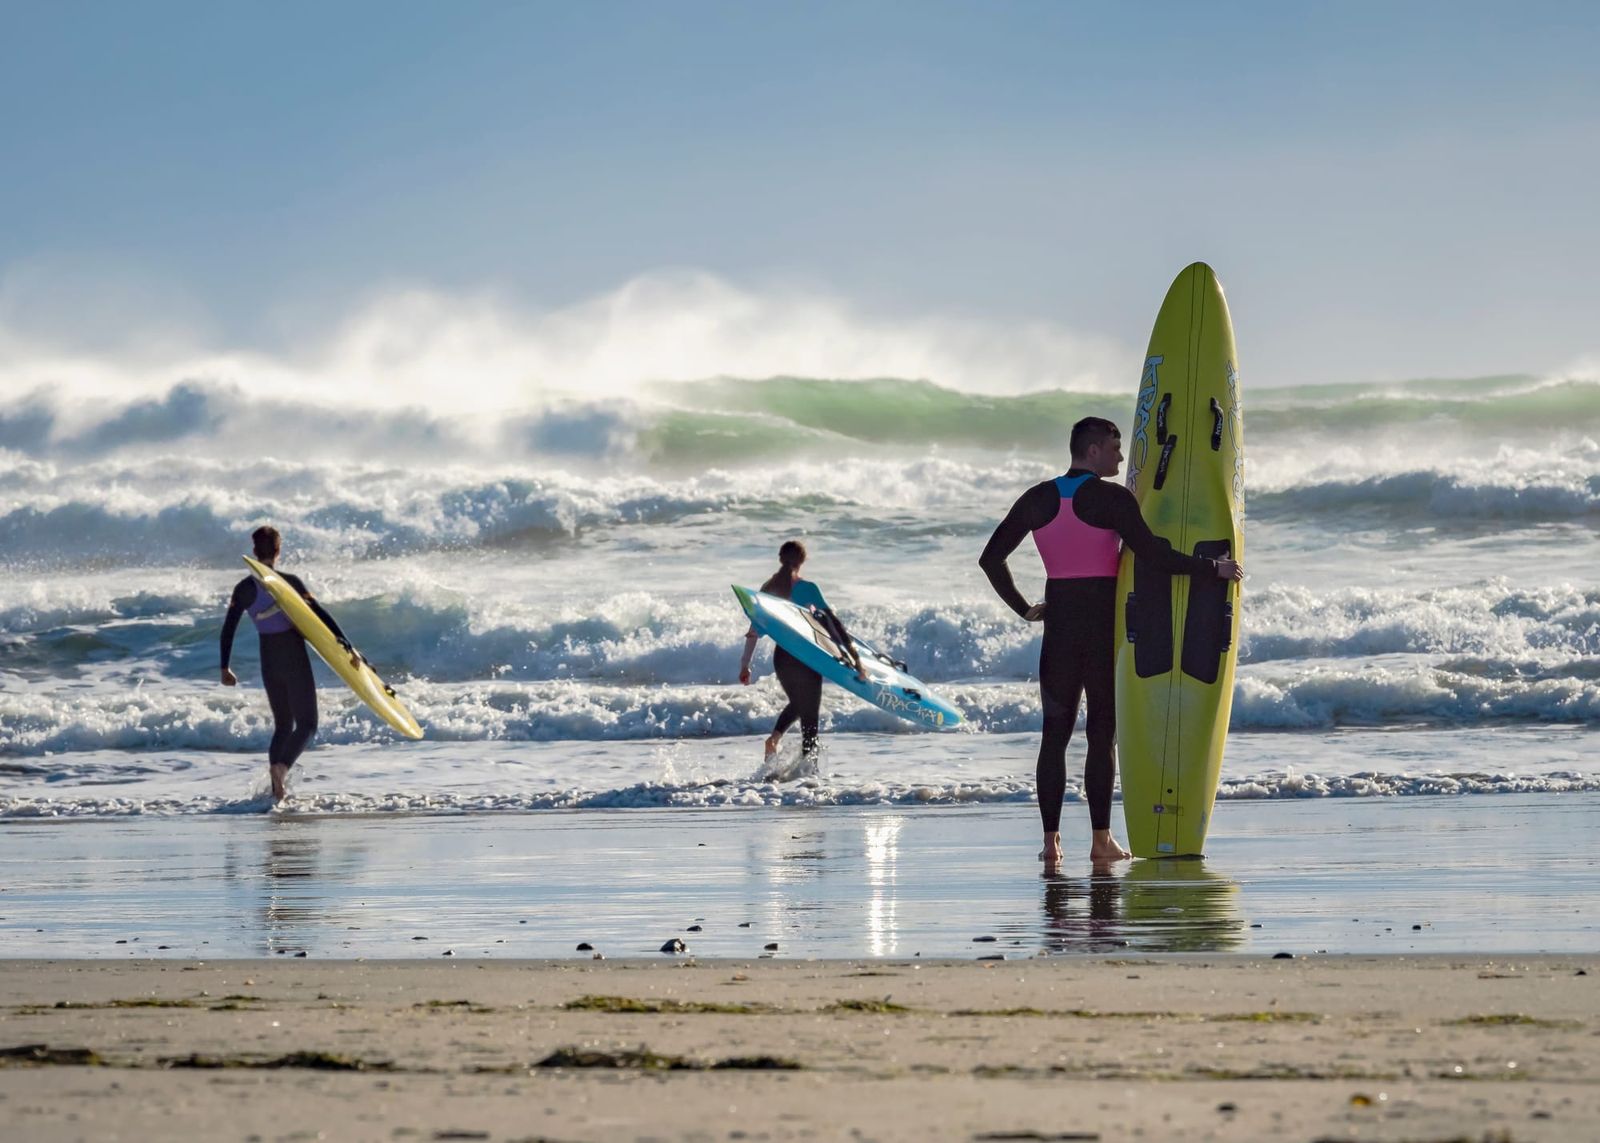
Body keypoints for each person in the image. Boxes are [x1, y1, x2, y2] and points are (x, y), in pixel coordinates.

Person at [979, 417, 1243, 865]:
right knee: (1101, 737)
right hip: (1103, 629)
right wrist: (1211, 569)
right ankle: (1101, 841)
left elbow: (991, 559)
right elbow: (1155, 555)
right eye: (1116, 449)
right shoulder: (1110, 499)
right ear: (1094, 450)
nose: (1122, 458)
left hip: (1058, 626)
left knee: (1053, 737)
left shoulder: (1038, 497)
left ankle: (1050, 843)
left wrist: (1024, 609)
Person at [220, 526, 356, 802]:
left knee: (283, 725)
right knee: (307, 725)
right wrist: (348, 646)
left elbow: (228, 628)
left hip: (268, 656)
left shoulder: (244, 588)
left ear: (255, 550)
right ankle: (281, 768)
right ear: (279, 551)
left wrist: (225, 667)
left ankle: (276, 791)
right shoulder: (290, 582)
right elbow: (320, 614)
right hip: (292, 653)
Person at [739, 540, 866, 762]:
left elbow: (754, 631)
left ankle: (775, 739)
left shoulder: (769, 590)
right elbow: (833, 624)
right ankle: (809, 773)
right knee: (809, 716)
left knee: (799, 703)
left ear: (781, 559)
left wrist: (745, 665)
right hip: (807, 657)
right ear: (803, 561)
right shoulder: (808, 589)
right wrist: (855, 659)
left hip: (783, 658)